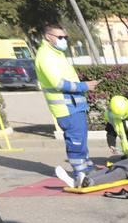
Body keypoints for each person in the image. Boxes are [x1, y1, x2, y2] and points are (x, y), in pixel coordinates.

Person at [36, 24, 92, 186]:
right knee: (75, 141)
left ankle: (87, 169)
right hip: (66, 107)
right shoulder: (45, 55)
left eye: (65, 37)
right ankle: (79, 173)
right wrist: (84, 86)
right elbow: (58, 83)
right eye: (60, 37)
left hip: (74, 105)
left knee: (80, 139)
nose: (64, 40)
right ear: (48, 36)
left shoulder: (57, 54)